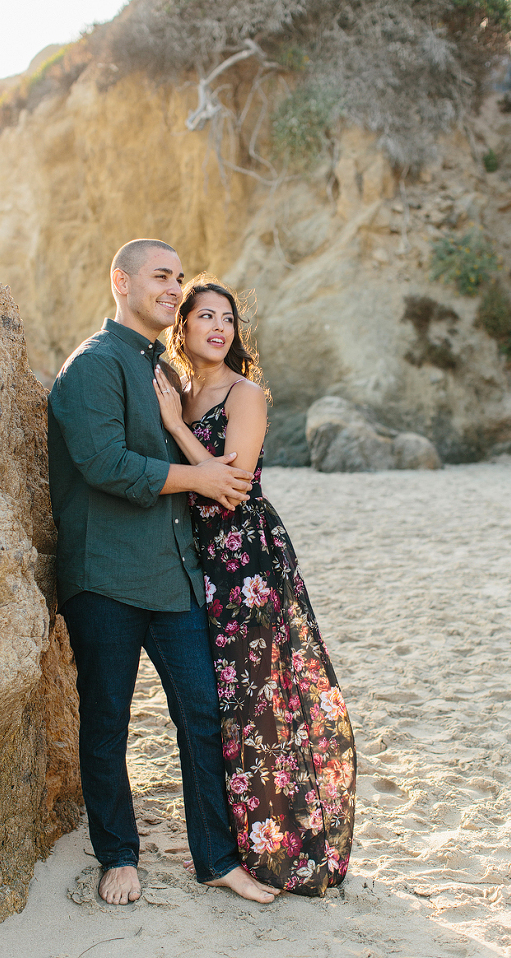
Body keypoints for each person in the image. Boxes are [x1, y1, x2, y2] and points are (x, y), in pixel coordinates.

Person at [48, 238, 282, 905]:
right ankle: (118, 856)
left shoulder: (161, 368)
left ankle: (215, 858)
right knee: (108, 721)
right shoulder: (94, 365)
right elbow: (104, 464)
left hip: (174, 576)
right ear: (120, 281)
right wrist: (199, 475)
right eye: (161, 276)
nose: (174, 287)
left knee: (202, 713)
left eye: (179, 278)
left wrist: (196, 459)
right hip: (103, 576)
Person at [151, 274, 357, 896]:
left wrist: (174, 425)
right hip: (193, 563)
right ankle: (232, 843)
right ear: (183, 327)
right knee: (220, 705)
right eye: (205, 316)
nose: (218, 327)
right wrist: (170, 411)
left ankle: (282, 847)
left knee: (263, 700)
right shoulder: (177, 391)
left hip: (245, 563)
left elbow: (231, 484)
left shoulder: (247, 395)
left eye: (228, 319)